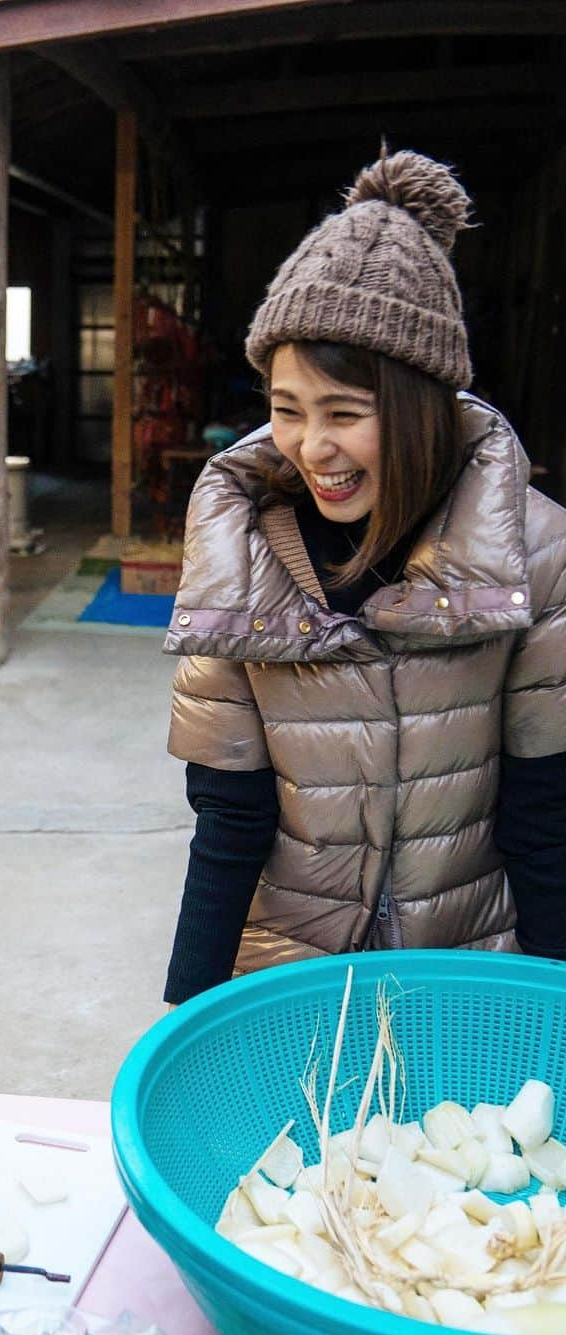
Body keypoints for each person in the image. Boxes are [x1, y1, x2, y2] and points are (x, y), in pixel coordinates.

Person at [163, 150, 566, 1006]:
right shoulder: (238, 550)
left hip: (469, 967)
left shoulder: (535, 554)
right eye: (286, 408)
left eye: (346, 413)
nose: (313, 447)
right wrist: (185, 1011)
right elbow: (230, 819)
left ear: (424, 409)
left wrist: (549, 1011)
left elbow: (546, 818)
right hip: (288, 974)